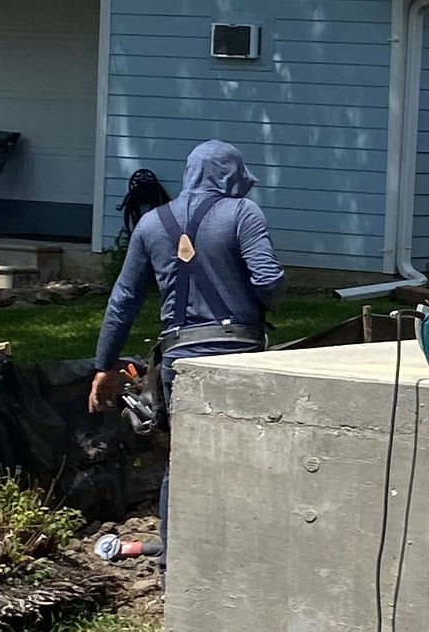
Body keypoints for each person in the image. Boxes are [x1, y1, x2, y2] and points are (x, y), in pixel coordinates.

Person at [88, 141, 286, 554]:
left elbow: (123, 300)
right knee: (245, 458)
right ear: (232, 178)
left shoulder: (149, 225)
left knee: (181, 461)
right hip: (242, 356)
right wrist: (258, 305)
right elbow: (268, 281)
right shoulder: (242, 213)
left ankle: (172, 566)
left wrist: (104, 365)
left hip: (181, 360)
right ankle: (242, 553)